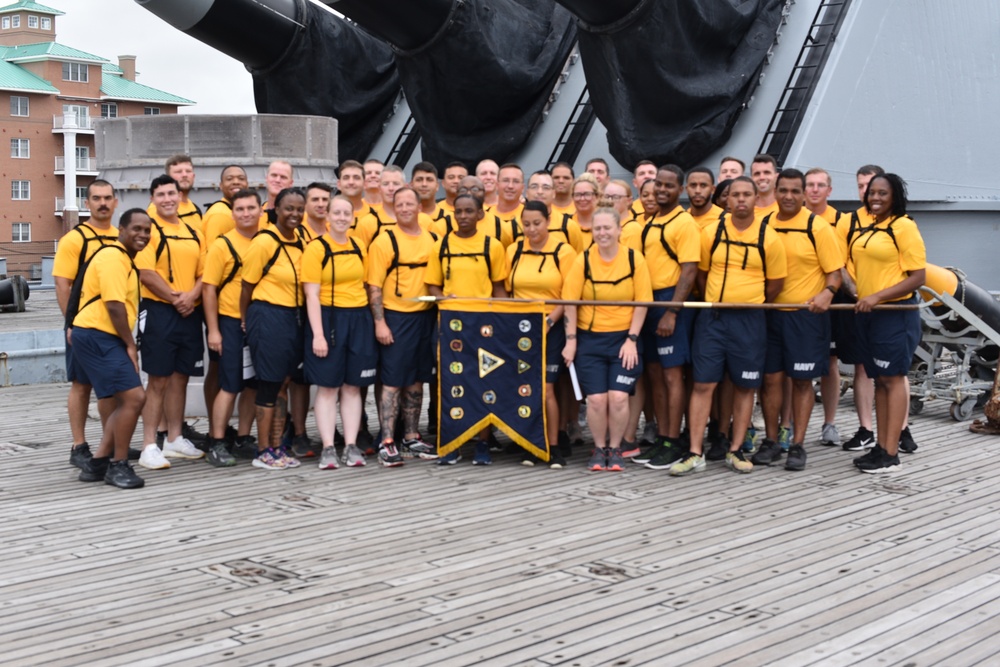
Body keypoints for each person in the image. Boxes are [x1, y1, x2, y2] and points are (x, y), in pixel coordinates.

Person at [669, 177, 787, 476]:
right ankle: (696, 452)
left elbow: (775, 284)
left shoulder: (770, 237)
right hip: (714, 319)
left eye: (748, 194)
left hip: (750, 320)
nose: (742, 200)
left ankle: (735, 450)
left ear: (756, 197)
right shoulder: (711, 232)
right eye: (736, 195)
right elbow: (701, 272)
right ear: (727, 199)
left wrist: (749, 301)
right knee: (702, 383)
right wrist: (720, 300)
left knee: (745, 385)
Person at [753, 169, 843, 471]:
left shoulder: (817, 227)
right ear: (775, 192)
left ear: (804, 194)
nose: (789, 197)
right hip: (770, 315)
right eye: (784, 191)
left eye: (795, 191)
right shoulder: (763, 224)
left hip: (805, 317)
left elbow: (835, 272)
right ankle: (771, 441)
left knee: (803, 382)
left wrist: (828, 293)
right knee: (770, 381)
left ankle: (798, 444)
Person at [562, 207, 652, 472]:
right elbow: (569, 303)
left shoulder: (635, 260)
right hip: (590, 340)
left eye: (607, 228)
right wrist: (571, 341)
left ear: (619, 230)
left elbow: (642, 302)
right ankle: (599, 448)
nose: (602, 233)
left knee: (619, 397)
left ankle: (616, 448)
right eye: (597, 228)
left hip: (623, 339)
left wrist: (632, 340)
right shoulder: (583, 260)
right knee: (597, 400)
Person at [849, 174, 925, 473]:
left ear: (895, 196)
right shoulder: (871, 226)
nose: (875, 198)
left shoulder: (904, 227)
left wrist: (877, 296)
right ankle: (881, 447)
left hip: (895, 314)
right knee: (879, 380)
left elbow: (917, 277)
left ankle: (891, 455)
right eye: (871, 192)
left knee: (892, 379)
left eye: (883, 193)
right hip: (870, 315)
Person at [425, 192, 508, 465]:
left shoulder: (492, 246)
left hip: (484, 324)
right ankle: (453, 443)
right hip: (452, 327)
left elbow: (499, 287)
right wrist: (442, 301)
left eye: (468, 211)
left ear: (480, 213)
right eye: (458, 211)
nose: (462, 217)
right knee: (452, 384)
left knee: (484, 382)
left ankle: (483, 443)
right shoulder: (442, 244)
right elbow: (433, 284)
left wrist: (500, 321)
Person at [73, 209, 151, 489]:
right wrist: (130, 345)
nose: (142, 234)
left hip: (101, 335)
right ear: (121, 229)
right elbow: (114, 305)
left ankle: (98, 461)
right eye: (137, 229)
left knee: (124, 400)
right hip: (98, 335)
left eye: (147, 230)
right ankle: (117, 466)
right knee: (134, 399)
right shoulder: (113, 257)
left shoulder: (125, 261)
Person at [135, 175, 206, 469]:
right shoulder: (147, 230)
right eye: (161, 194)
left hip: (189, 312)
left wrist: (191, 297)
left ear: (180, 196)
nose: (167, 199)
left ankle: (176, 439)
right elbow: (145, 272)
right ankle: (150, 444)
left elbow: (206, 272)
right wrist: (177, 299)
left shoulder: (193, 230)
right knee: (158, 380)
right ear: (152, 197)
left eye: (171, 193)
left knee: (181, 378)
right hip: (160, 311)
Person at [302, 195, 377, 469]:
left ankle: (351, 445)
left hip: (358, 319)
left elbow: (368, 286)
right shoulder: (316, 248)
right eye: (337, 212)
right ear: (328, 216)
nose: (342, 217)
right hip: (329, 318)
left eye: (347, 213)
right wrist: (318, 335)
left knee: (352, 386)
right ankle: (328, 447)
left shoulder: (359, 246)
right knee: (328, 387)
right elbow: (311, 295)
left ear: (353, 217)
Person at [53, 180, 124, 469]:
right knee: (82, 385)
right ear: (87, 203)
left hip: (114, 326)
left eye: (107, 198)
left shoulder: (121, 237)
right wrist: (70, 325)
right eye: (96, 198)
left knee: (114, 387)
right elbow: (62, 284)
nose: (102, 203)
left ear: (115, 202)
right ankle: (79, 445)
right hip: (83, 327)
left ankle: (113, 442)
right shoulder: (75, 239)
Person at [635, 165, 701, 471]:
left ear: (681, 190)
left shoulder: (683, 222)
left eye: (669, 186)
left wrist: (672, 312)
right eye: (658, 184)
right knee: (655, 374)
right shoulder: (652, 220)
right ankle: (662, 437)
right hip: (648, 302)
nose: (661, 190)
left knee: (673, 375)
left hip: (668, 301)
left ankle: (674, 441)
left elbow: (689, 270)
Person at [367, 187, 440, 464]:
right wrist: (380, 323)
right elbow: (373, 285)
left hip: (426, 317)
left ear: (420, 207)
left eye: (410, 204)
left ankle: (411, 437)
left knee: (416, 381)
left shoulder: (434, 239)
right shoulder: (383, 242)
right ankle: (387, 440)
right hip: (396, 318)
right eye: (400, 204)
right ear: (393, 208)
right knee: (392, 381)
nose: (405, 208)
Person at [505, 200, 576, 468]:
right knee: (524, 388)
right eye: (526, 224)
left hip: (550, 325)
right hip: (518, 328)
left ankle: (554, 445)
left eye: (537, 223)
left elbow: (569, 295)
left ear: (548, 220)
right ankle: (530, 442)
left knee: (546, 388)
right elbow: (505, 288)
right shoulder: (513, 250)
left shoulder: (564, 251)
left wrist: (548, 322)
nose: (531, 229)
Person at [240, 187, 307, 470]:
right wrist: (246, 320)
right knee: (268, 384)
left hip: (294, 317)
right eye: (289, 208)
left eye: (299, 209)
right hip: (268, 316)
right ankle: (263, 450)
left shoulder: (301, 239)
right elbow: (246, 286)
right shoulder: (264, 241)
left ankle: (278, 447)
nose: (294, 214)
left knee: (284, 382)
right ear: (275, 209)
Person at [201, 189, 263, 467]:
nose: (246, 213)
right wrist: (214, 330)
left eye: (251, 208)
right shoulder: (222, 245)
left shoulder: (266, 241)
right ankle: (217, 441)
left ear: (261, 210)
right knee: (230, 384)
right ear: (233, 213)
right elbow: (209, 289)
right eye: (240, 209)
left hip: (258, 322)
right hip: (228, 321)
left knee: (253, 384)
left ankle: (243, 436)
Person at [804, 167, 851, 447]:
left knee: (830, 363)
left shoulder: (841, 222)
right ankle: (789, 424)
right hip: (800, 299)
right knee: (792, 364)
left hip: (832, 298)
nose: (814, 190)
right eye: (810, 185)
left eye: (820, 185)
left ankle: (829, 423)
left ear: (829, 191)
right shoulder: (792, 218)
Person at [148, 155, 203, 234]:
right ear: (168, 177)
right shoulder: (157, 208)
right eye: (178, 172)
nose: (184, 175)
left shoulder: (195, 208)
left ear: (193, 176)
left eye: (188, 171)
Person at [202, 165, 250, 245]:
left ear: (247, 184)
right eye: (229, 179)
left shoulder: (235, 210)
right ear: (221, 185)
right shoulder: (220, 215)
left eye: (241, 178)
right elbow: (215, 253)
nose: (236, 182)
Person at [434, 162, 469, 230]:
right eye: (451, 177)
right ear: (443, 183)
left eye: (461, 178)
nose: (456, 181)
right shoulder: (434, 208)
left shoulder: (477, 210)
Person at [570, 173, 601, 251]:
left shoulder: (608, 224)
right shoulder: (566, 224)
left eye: (587, 194)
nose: (582, 198)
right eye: (578, 194)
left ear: (597, 196)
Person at [494, 163, 525, 235]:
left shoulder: (530, 216)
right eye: (506, 180)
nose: (510, 186)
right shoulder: (485, 215)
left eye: (516, 181)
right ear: (497, 185)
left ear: (523, 187)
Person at [260, 160, 294, 225]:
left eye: (283, 177)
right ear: (267, 179)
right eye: (274, 175)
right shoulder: (254, 215)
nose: (277, 180)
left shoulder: (299, 217)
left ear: (291, 183)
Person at [751, 154, 779, 219]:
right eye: (757, 174)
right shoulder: (744, 209)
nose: (762, 177)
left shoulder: (786, 207)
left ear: (776, 177)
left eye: (767, 172)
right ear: (751, 179)